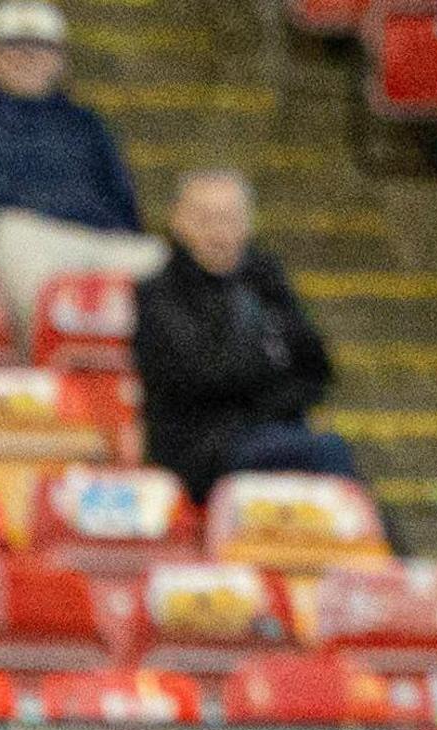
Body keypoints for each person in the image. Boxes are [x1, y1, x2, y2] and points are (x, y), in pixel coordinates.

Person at [0, 0, 160, 334]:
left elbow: (124, 204)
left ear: (60, 59)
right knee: (20, 243)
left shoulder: (86, 124)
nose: (27, 56)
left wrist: (115, 233)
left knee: (162, 262)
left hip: (93, 239)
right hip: (13, 238)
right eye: (13, 45)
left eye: (41, 46)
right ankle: (46, 376)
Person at [133, 168, 357, 493]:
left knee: (337, 466)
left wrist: (268, 381)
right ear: (177, 221)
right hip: (199, 452)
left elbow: (317, 370)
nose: (219, 233)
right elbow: (206, 377)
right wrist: (271, 367)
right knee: (327, 452)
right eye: (205, 219)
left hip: (272, 432)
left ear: (248, 224)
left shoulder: (266, 280)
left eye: (230, 219)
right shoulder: (157, 294)